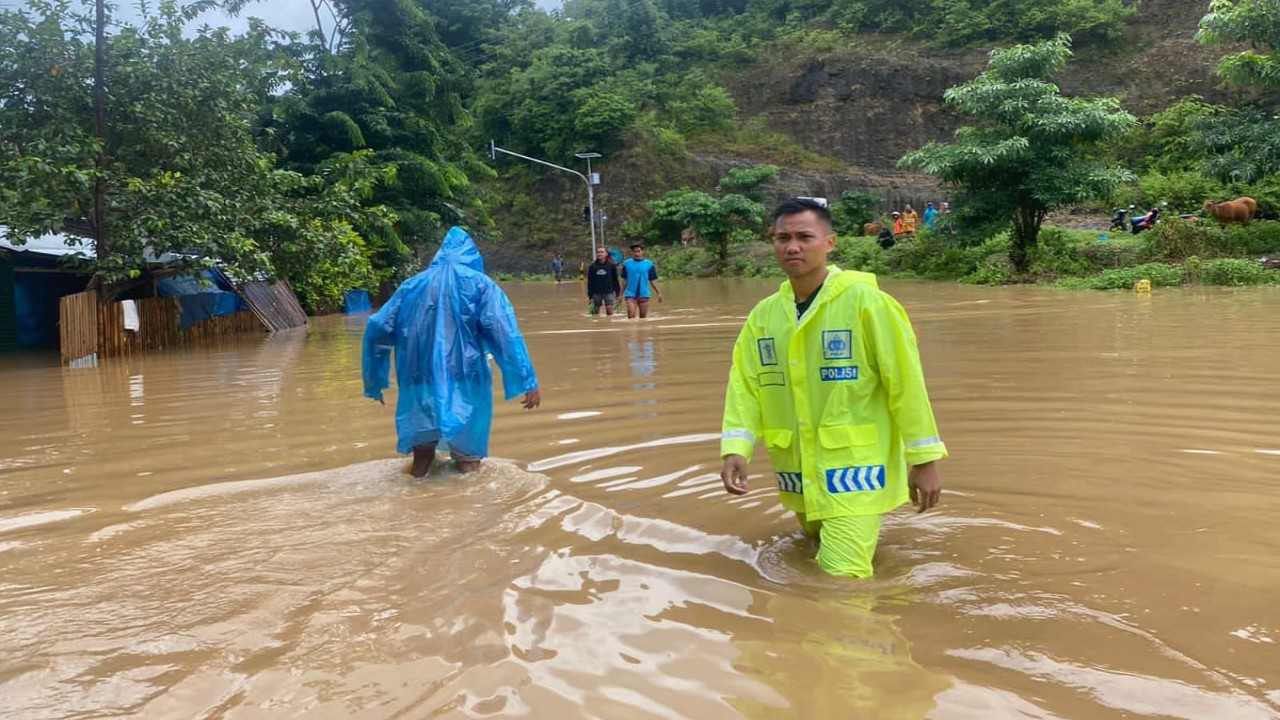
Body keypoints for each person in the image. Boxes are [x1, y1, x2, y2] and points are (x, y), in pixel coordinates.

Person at [719, 198, 947, 578]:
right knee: (813, 554)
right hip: (798, 471)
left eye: (805, 237)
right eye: (783, 238)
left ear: (829, 243)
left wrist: (924, 460)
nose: (793, 246)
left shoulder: (868, 304)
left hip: (856, 471)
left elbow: (905, 383)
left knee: (840, 581)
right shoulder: (764, 316)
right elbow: (745, 386)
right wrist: (735, 448)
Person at [363, 226, 542, 477]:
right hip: (465, 379)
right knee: (468, 460)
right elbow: (504, 334)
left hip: (418, 379)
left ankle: (417, 501)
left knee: (422, 458)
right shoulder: (481, 285)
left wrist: (374, 382)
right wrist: (527, 380)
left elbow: (377, 327)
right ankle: (467, 510)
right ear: (472, 255)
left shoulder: (410, 286)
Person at [619, 242, 663, 319]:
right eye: (634, 251)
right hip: (630, 294)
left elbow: (652, 280)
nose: (636, 253)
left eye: (638, 251)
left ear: (642, 252)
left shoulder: (649, 264)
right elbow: (624, 280)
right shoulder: (627, 264)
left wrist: (659, 293)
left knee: (643, 318)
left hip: (644, 294)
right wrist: (620, 294)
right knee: (631, 317)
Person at [586, 246, 621, 316]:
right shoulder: (592, 267)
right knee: (595, 313)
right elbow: (590, 282)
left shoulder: (611, 266)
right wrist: (590, 296)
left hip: (609, 291)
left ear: (606, 254)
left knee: (609, 310)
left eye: (602, 252)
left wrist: (618, 293)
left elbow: (615, 280)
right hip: (596, 292)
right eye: (598, 252)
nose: (599, 254)